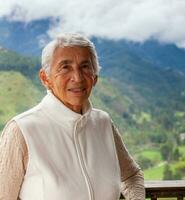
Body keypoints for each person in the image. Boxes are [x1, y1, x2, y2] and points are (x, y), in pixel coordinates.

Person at [0, 33, 145, 200]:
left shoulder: (103, 122)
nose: (77, 77)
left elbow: (131, 175)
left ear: (95, 78)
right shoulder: (21, 130)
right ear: (45, 78)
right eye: (65, 67)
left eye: (85, 66)